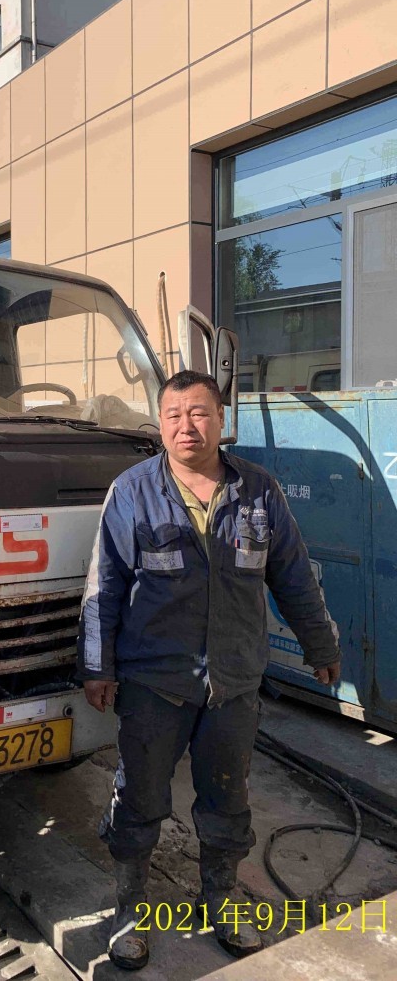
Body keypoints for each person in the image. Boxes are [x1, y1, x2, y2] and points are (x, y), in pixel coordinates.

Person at [78, 370, 341, 970]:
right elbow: (104, 586)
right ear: (160, 424)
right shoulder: (132, 491)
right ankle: (130, 911)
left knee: (227, 800)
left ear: (222, 421)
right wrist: (97, 665)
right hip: (154, 683)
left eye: (199, 413)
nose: (186, 426)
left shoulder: (259, 492)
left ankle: (220, 898)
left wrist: (321, 646)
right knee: (138, 799)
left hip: (234, 681)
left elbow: (294, 576)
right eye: (173, 415)